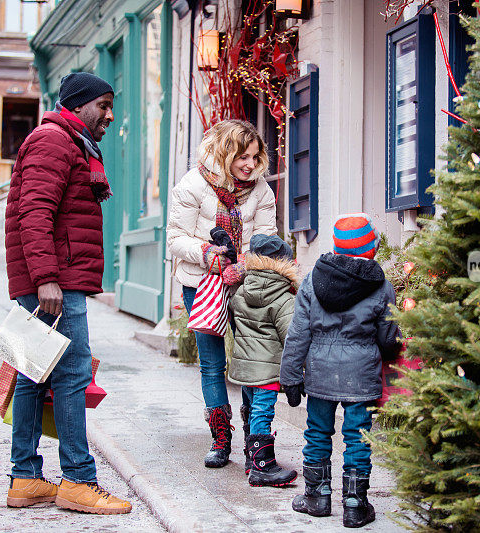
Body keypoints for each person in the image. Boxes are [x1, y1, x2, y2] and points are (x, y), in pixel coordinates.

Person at [4, 72, 131, 514]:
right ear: (78, 105)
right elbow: (34, 212)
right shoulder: (54, 142)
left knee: (32, 375)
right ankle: (78, 479)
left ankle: (25, 478)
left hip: (52, 278)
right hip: (54, 283)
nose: (110, 116)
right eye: (104, 105)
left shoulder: (67, 141)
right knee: (72, 375)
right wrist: (46, 279)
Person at [166, 119, 277, 468]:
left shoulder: (261, 191)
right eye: (243, 156)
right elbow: (175, 238)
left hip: (247, 284)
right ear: (225, 152)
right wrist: (209, 255)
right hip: (201, 284)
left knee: (249, 362)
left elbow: (266, 240)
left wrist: (243, 264)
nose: (250, 164)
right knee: (212, 364)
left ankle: (253, 439)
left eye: (255, 157)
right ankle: (220, 439)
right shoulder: (192, 185)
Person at [280, 213, 402, 528]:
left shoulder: (311, 280)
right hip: (362, 377)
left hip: (320, 376)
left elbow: (298, 334)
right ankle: (355, 504)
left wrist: (291, 378)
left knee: (318, 433)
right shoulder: (382, 286)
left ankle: (317, 498)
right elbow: (388, 338)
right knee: (358, 438)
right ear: (371, 250)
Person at [228, 234, 298, 487]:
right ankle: (263, 466)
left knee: (251, 406)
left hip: (245, 366)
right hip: (268, 369)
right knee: (263, 410)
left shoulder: (241, 292)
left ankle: (251, 457)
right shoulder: (284, 299)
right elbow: (292, 338)